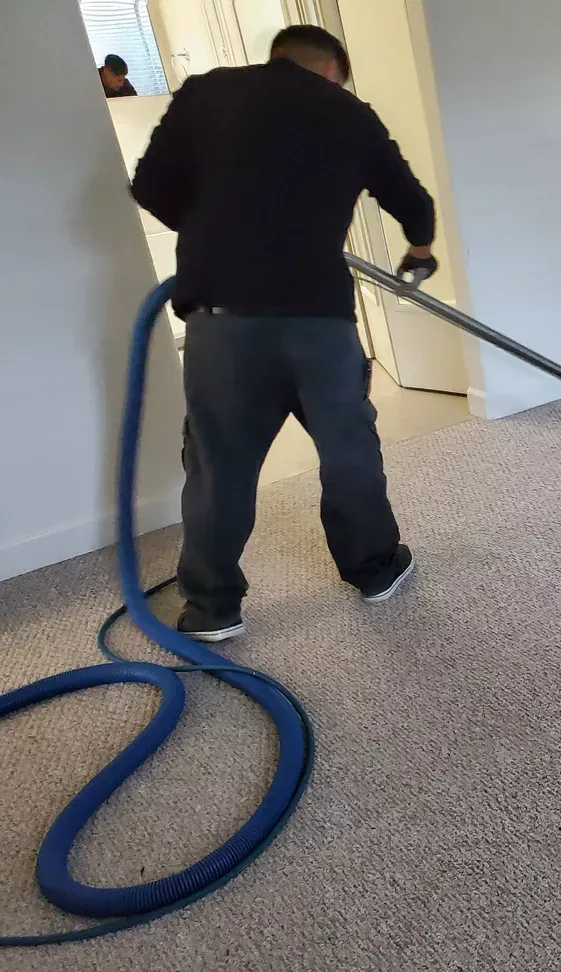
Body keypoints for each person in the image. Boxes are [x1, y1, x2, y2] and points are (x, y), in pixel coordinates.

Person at [130, 25, 438, 642]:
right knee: (349, 451)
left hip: (220, 322)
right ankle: (375, 570)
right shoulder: (348, 112)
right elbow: (411, 201)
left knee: (219, 466)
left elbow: (149, 187)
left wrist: (220, 232)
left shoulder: (203, 93)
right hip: (318, 323)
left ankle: (213, 609)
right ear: (331, 68)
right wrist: (419, 251)